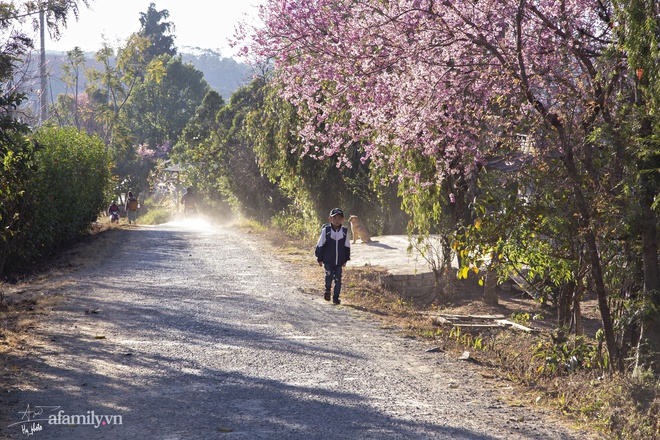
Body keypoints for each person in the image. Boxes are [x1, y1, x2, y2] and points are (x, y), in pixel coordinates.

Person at [315, 208, 351, 304]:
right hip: (328, 260)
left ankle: (336, 298)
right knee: (329, 275)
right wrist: (319, 258)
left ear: (342, 220)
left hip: (339, 261)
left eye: (339, 218)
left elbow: (347, 246)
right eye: (334, 218)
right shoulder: (326, 231)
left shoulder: (344, 232)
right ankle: (327, 289)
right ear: (330, 219)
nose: (337, 220)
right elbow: (320, 245)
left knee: (338, 279)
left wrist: (346, 259)